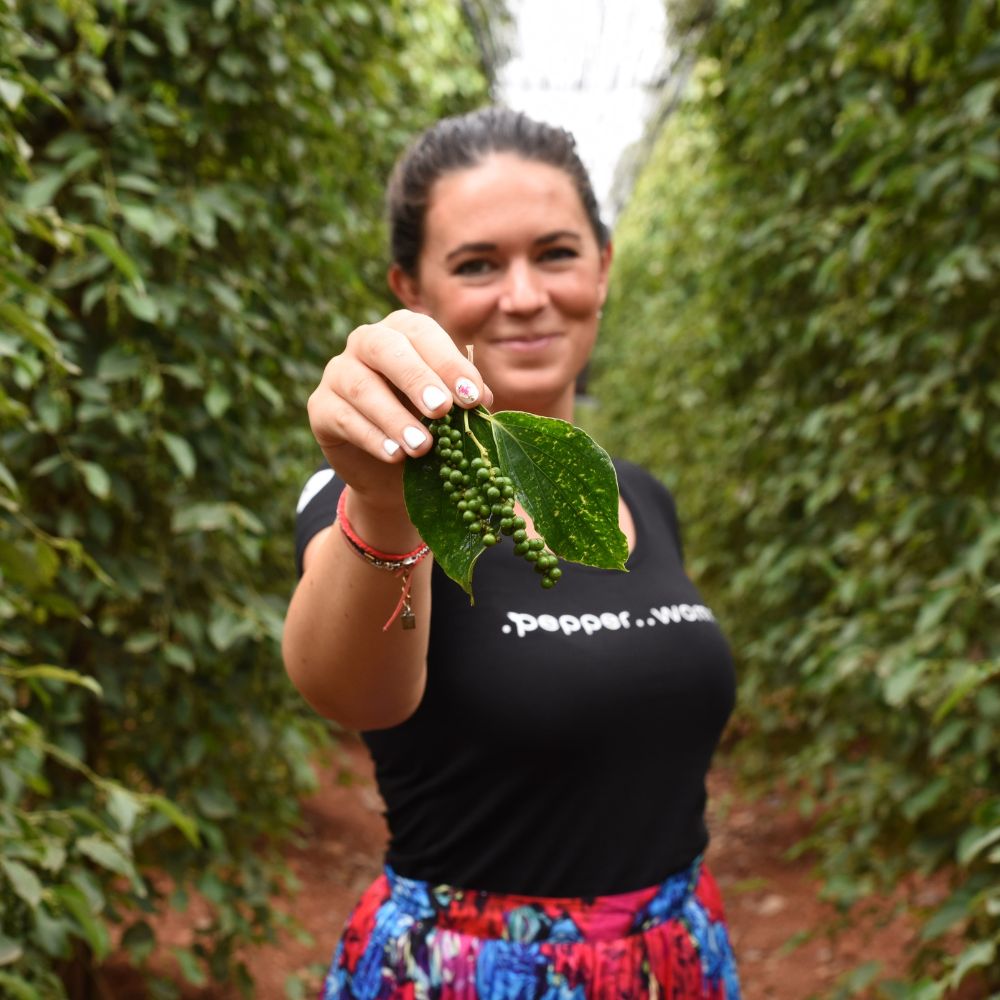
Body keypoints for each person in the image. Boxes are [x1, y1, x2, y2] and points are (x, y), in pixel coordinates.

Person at [283, 106, 742, 999]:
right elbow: (351, 693)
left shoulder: (641, 496)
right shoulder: (367, 501)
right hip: (469, 974)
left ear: (604, 270)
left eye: (557, 253)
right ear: (410, 290)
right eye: (477, 265)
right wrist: (382, 502)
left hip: (677, 960)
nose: (525, 295)